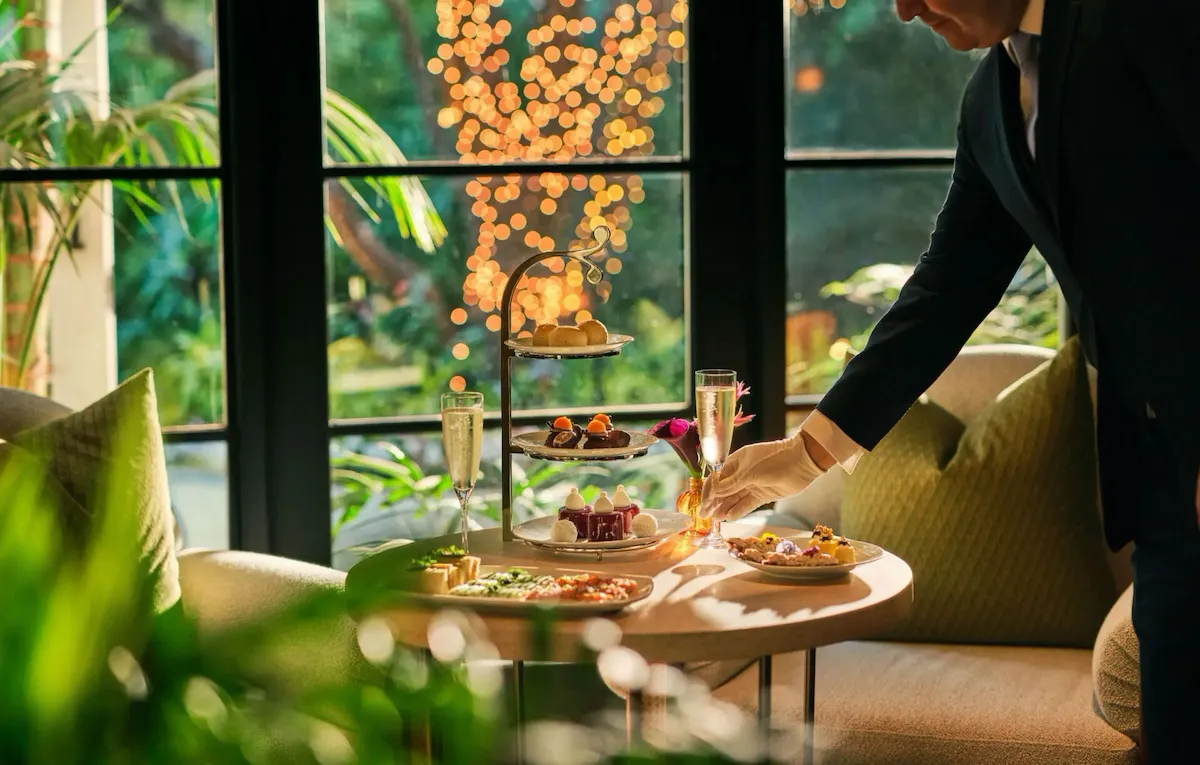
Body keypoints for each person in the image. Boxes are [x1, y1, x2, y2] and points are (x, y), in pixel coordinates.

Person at [701, 0, 1199, 761]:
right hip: (1160, 469)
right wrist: (807, 454)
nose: (904, 12)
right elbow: (948, 288)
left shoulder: (1139, 18)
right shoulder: (989, 101)